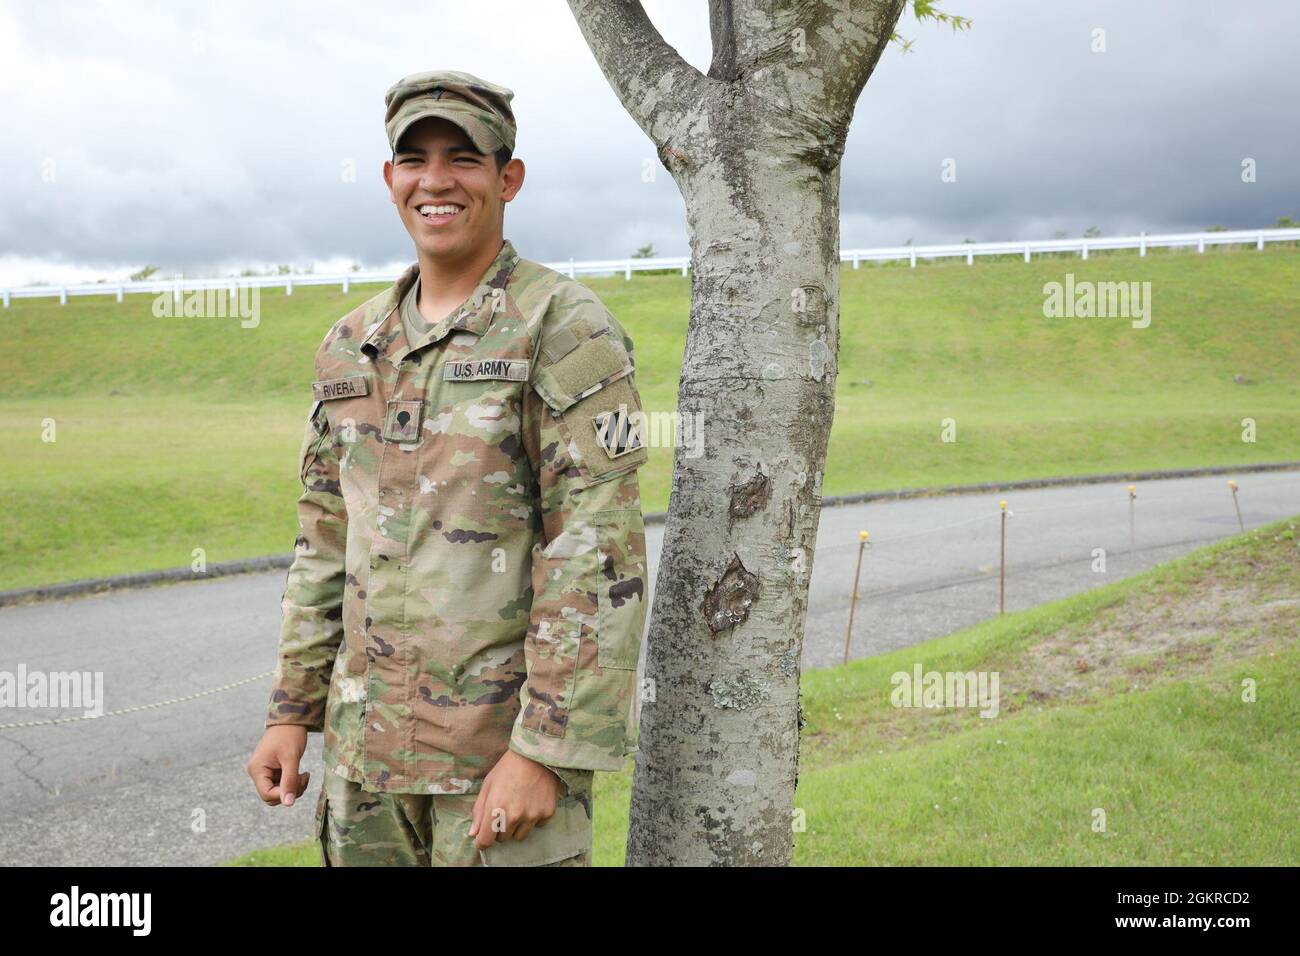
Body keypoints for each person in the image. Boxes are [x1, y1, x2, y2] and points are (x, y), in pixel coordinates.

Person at [245, 69, 650, 867]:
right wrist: (292, 710)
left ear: (508, 178)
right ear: (391, 178)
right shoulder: (350, 345)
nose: (436, 180)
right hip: (364, 770)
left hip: (496, 771)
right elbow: (326, 543)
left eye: (463, 158)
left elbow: (596, 555)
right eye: (414, 158)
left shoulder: (563, 328)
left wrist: (544, 752)